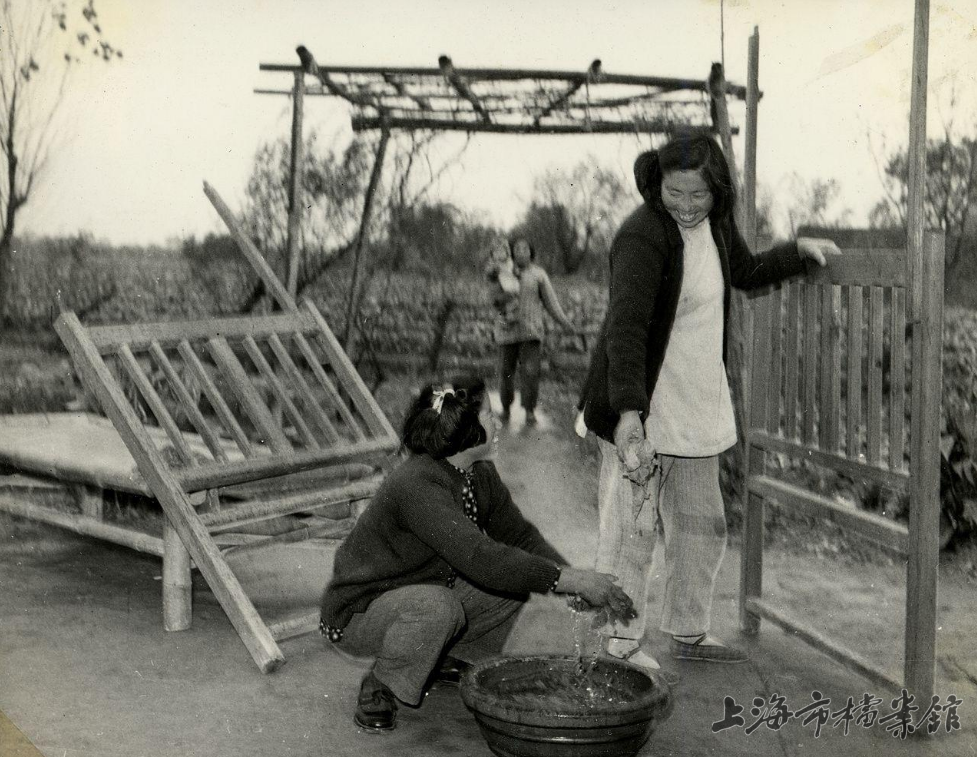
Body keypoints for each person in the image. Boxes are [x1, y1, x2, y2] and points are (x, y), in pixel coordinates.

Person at [576, 134, 839, 672]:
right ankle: (617, 645)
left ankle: (688, 629)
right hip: (643, 401)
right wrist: (629, 413)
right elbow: (625, 329)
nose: (688, 206)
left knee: (701, 522)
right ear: (658, 184)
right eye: (676, 194)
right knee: (633, 528)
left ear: (717, 191)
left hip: (696, 399)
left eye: (699, 195)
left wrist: (796, 252)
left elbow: (745, 272)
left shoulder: (715, 225)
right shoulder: (642, 235)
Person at [320, 375, 636, 732]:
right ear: (465, 429)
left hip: (417, 592)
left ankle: (448, 660)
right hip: (361, 614)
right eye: (488, 414)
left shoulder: (477, 472)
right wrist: (570, 580)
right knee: (442, 605)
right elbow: (480, 558)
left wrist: (571, 580)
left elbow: (518, 536)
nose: (497, 421)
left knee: (514, 578)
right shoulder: (417, 483)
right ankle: (382, 682)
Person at [495, 237, 576, 426]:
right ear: (511, 252)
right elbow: (492, 298)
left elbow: (551, 302)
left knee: (530, 373)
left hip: (531, 333)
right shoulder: (503, 273)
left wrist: (565, 322)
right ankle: (505, 409)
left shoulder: (538, 275)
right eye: (516, 248)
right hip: (506, 332)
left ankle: (529, 411)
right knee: (505, 372)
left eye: (524, 249)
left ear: (531, 252)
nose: (520, 252)